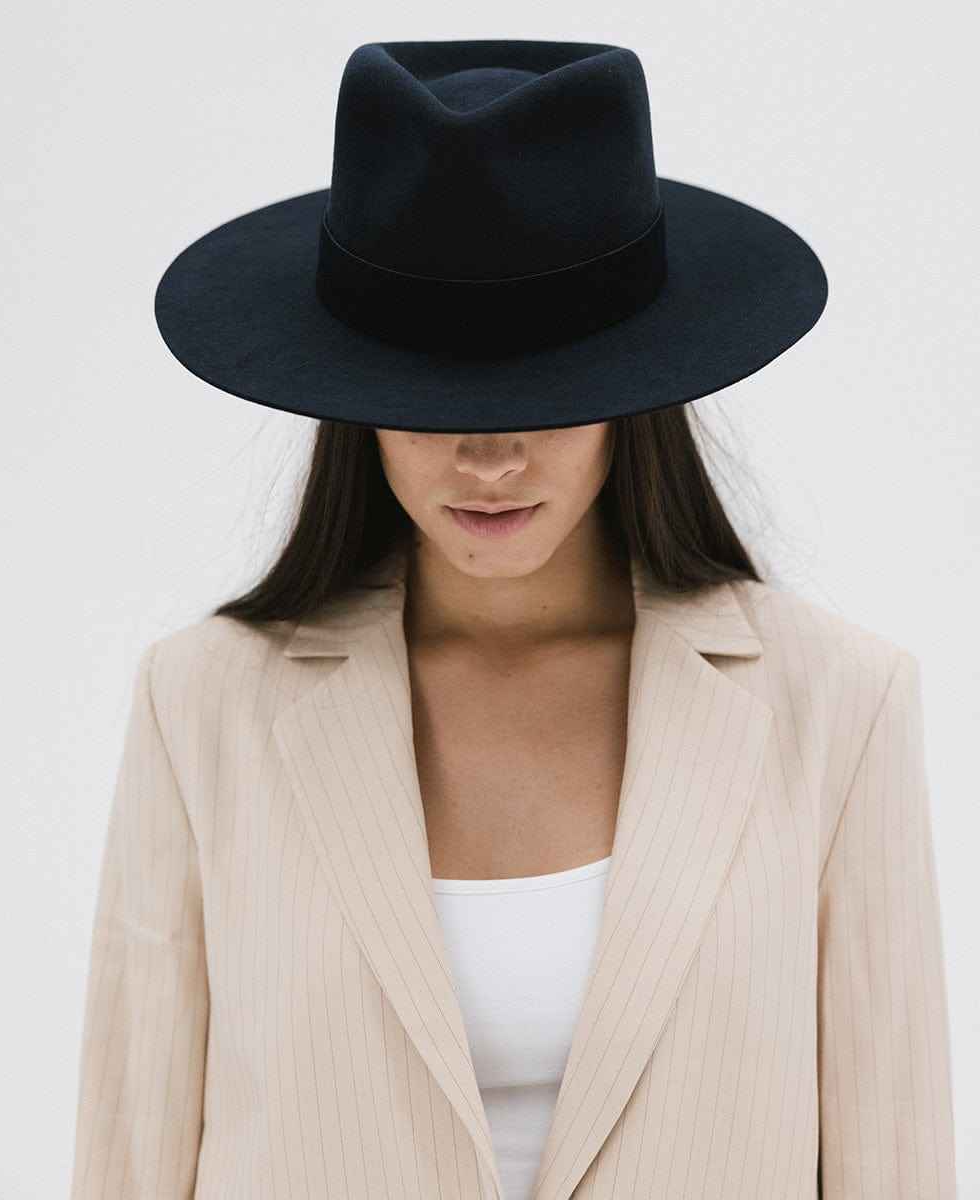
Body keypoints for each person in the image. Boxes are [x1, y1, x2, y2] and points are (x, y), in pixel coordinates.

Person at [70, 38, 958, 1200]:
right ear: (353, 403)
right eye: (429, 405)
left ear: (637, 390)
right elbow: (130, 1160)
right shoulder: (202, 706)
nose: (488, 458)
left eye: (546, 398)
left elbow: (894, 1164)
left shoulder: (837, 705)